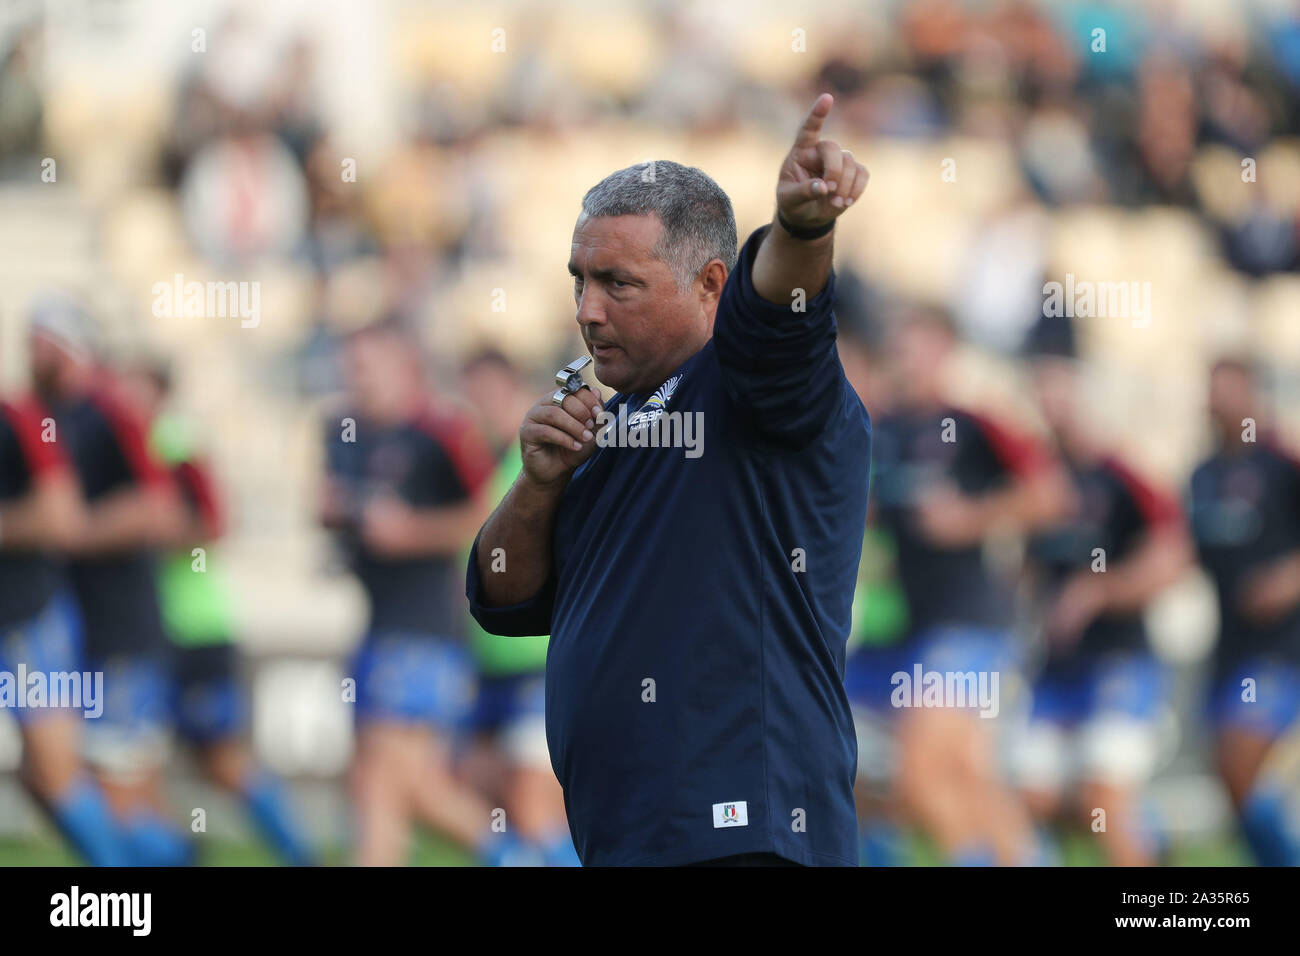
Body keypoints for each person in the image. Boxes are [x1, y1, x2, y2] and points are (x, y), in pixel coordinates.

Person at [468, 95, 872, 866]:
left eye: (618, 283)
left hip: (746, 832)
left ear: (711, 283)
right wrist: (538, 484)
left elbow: (785, 308)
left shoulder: (754, 384)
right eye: (578, 279)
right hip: (632, 836)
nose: (587, 311)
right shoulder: (609, 426)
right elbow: (503, 600)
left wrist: (803, 227)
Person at [867, 308, 1070, 866]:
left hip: (972, 624)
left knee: (920, 774)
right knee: (962, 777)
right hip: (908, 631)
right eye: (899, 345)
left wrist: (972, 517)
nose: (904, 356)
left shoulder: (977, 424)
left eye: (916, 345)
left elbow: (1052, 497)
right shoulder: (881, 427)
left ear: (945, 351)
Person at [320, 320, 522, 865]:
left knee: (385, 775)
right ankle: (517, 857)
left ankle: (518, 856)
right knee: (389, 780)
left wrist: (413, 531)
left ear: (404, 366)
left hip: (426, 626)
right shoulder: (342, 429)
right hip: (377, 623)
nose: (355, 378)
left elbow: (489, 514)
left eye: (367, 366)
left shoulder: (443, 431)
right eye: (349, 366)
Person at [120, 362, 317, 866]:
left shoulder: (174, 442)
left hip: (193, 627)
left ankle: (299, 852)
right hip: (149, 629)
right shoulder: (129, 443)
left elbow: (211, 522)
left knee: (221, 760)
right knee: (133, 763)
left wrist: (141, 534)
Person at [28, 293, 193, 866]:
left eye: (42, 338)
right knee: (51, 775)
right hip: (76, 627)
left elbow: (160, 508)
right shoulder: (47, 417)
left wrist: (72, 531)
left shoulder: (109, 412)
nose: (30, 350)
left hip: (122, 628)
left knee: (115, 790)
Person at [1016, 329, 1190, 866]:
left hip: (1122, 663)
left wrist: (1100, 590)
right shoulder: (1042, 478)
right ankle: (1152, 839)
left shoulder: (1122, 475)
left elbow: (1174, 557)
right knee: (1032, 798)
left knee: (1102, 800)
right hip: (1057, 669)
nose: (1051, 401)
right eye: (1042, 389)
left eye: (1060, 387)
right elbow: (1029, 567)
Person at [457, 350, 578, 866]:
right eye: (473, 393)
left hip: (539, 660)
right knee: (471, 782)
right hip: (488, 663)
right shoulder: (474, 459)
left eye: (492, 392)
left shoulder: (541, 457)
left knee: (531, 807)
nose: (482, 405)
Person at [0, 383, 129, 866]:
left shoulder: (18, 415)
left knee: (56, 776)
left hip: (26, 622)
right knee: (37, 778)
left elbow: (61, 516)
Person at [1189, 358, 1300, 866]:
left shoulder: (1281, 464)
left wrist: (1287, 578)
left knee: (1241, 756)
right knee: (1235, 785)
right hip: (1229, 648)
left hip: (1280, 649)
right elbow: (1184, 547)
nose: (1219, 402)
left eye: (1230, 390)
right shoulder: (1203, 474)